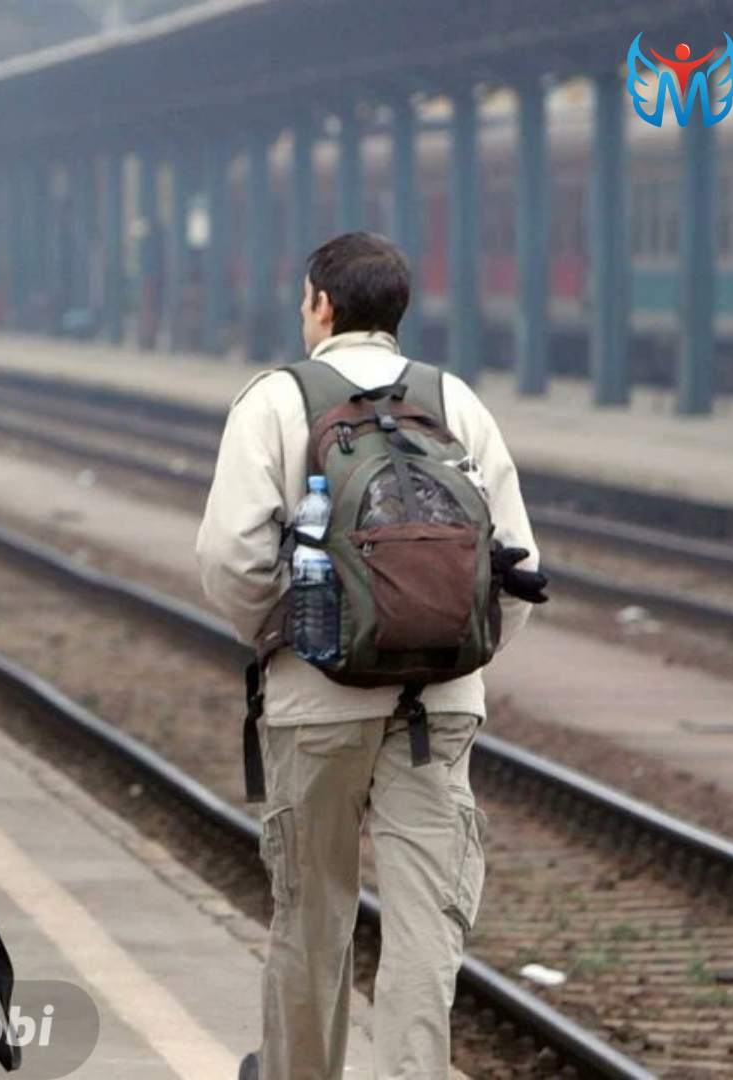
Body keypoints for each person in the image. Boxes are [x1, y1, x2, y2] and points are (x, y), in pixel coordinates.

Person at [195, 232, 542, 1080]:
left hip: (317, 702)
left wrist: (293, 638)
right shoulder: (455, 401)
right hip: (442, 704)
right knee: (428, 925)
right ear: (399, 311)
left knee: (310, 916)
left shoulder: (276, 401)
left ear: (319, 302)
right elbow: (517, 565)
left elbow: (231, 560)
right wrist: (452, 651)